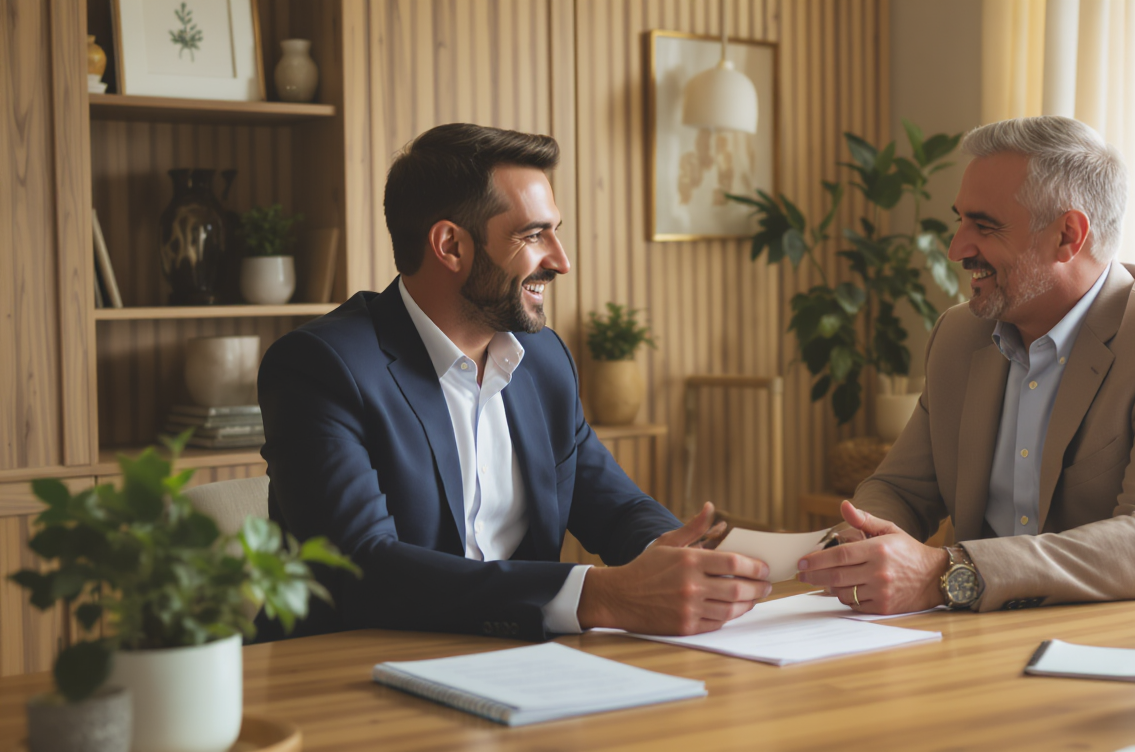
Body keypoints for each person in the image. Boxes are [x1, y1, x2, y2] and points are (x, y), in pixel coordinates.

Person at [258, 123, 770, 642]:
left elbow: (615, 507)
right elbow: (362, 568)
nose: (561, 261)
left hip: (522, 664)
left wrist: (679, 555)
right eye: (533, 235)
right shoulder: (321, 367)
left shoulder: (544, 360)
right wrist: (598, 595)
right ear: (450, 245)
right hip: (351, 668)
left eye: (556, 231)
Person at [797, 116, 1135, 614]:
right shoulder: (958, 336)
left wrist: (947, 572)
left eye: (984, 226)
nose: (957, 248)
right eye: (960, 220)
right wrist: (854, 546)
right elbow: (900, 489)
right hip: (1005, 637)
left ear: (1068, 235)